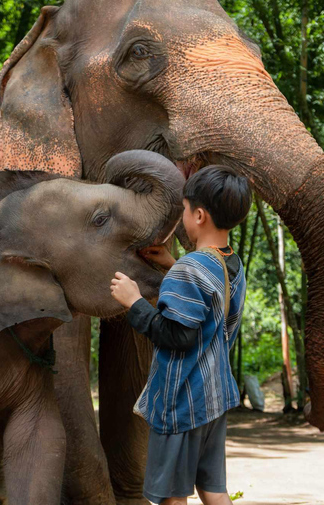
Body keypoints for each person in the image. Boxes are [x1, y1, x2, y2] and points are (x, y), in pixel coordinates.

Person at [110, 165, 251, 505]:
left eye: (184, 210)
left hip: (182, 401)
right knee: (213, 489)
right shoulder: (231, 264)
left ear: (199, 215)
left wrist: (134, 302)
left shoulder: (190, 269)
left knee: (172, 496)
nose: (183, 216)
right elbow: (212, 304)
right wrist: (173, 263)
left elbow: (176, 336)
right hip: (215, 394)